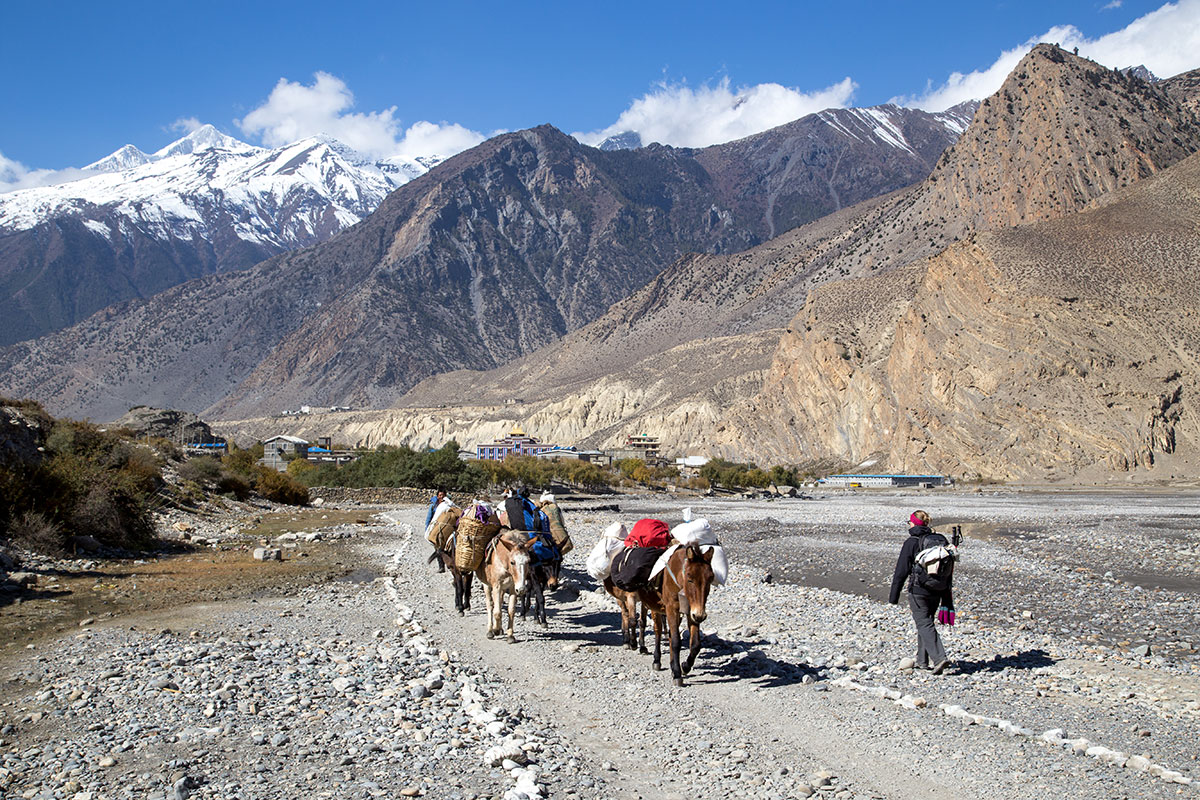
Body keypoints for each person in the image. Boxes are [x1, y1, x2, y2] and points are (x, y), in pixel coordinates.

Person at [889, 510, 955, 674]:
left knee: (924, 623)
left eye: (909, 522)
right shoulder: (939, 540)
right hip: (938, 589)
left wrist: (893, 597)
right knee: (926, 622)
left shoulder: (911, 542)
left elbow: (901, 571)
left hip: (918, 590)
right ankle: (922, 661)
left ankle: (939, 658)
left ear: (913, 524)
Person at [426, 488, 448, 573]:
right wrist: (427, 530)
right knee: (438, 547)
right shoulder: (433, 506)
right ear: (437, 496)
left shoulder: (448, 505)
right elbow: (429, 518)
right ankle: (441, 566)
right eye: (440, 495)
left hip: (446, 528)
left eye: (443, 495)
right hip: (436, 528)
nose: (441, 497)